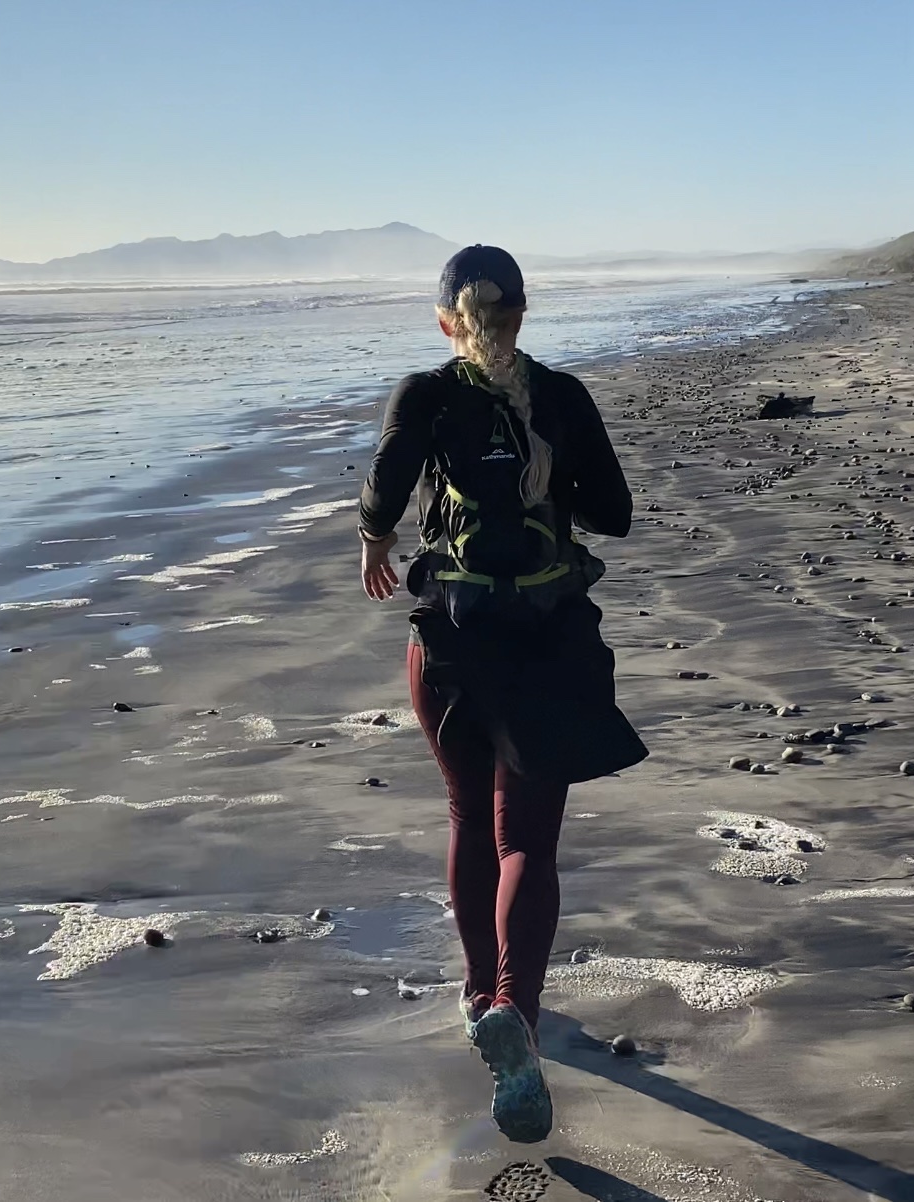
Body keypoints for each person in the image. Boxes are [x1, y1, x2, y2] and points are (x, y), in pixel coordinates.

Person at [357, 245, 647, 1144]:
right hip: (547, 646)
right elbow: (613, 515)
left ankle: (480, 992)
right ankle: (516, 1009)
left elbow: (385, 491)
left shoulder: (424, 394)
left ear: (445, 320)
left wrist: (373, 542)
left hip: (448, 644)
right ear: (521, 314)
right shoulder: (562, 395)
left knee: (466, 818)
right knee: (526, 838)